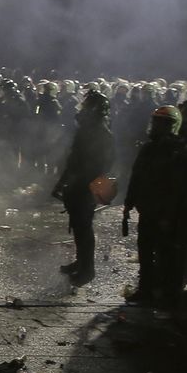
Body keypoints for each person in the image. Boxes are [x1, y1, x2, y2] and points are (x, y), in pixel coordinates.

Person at [122, 106, 187, 307]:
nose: (155, 126)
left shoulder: (179, 153)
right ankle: (146, 289)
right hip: (148, 210)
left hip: (165, 213)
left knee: (166, 255)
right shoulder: (149, 148)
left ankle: (167, 294)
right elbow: (137, 176)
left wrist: (168, 215)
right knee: (145, 252)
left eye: (160, 123)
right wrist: (129, 202)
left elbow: (177, 188)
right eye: (155, 122)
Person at [52, 89, 115, 286]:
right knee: (79, 227)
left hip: (86, 185)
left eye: (86, 106)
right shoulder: (87, 130)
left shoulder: (101, 133)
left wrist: (84, 184)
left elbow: (101, 165)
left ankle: (87, 270)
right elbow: (74, 160)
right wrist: (63, 182)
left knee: (84, 227)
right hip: (78, 183)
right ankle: (81, 262)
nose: (82, 109)